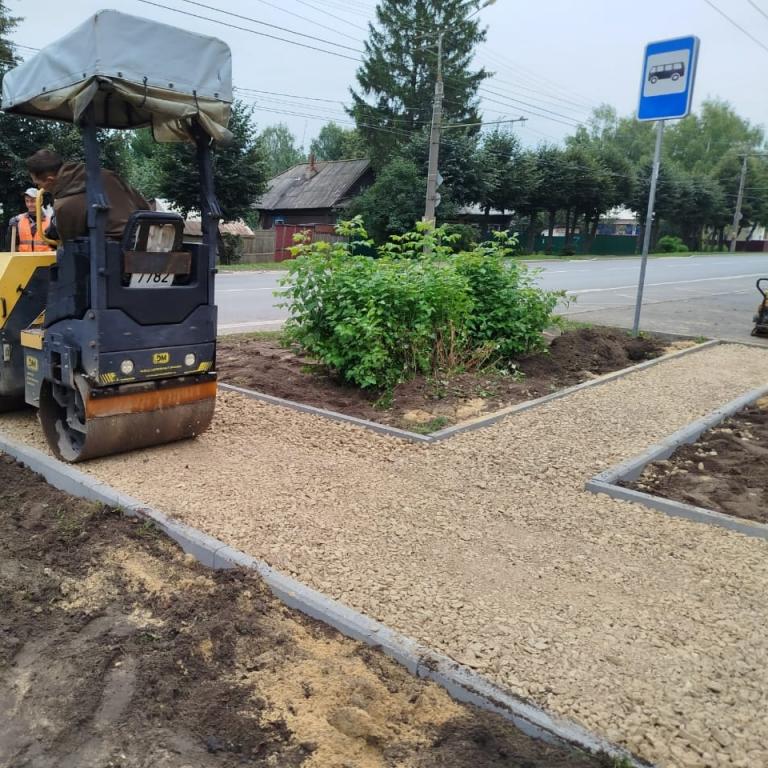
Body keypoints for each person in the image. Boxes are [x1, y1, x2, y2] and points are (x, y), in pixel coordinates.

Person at [25, 149, 149, 243]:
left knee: (63, 255)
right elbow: (144, 206)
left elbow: (69, 243)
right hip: (143, 243)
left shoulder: (64, 205)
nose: (39, 188)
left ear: (50, 180)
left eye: (38, 184)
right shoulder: (107, 176)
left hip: (109, 256)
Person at [7, 188, 52, 252]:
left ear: (40, 201)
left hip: (45, 258)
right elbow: (11, 243)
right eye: (27, 201)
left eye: (33, 201)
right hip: (24, 258)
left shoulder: (50, 221)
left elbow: (57, 245)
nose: (29, 204)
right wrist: (10, 229)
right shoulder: (18, 220)